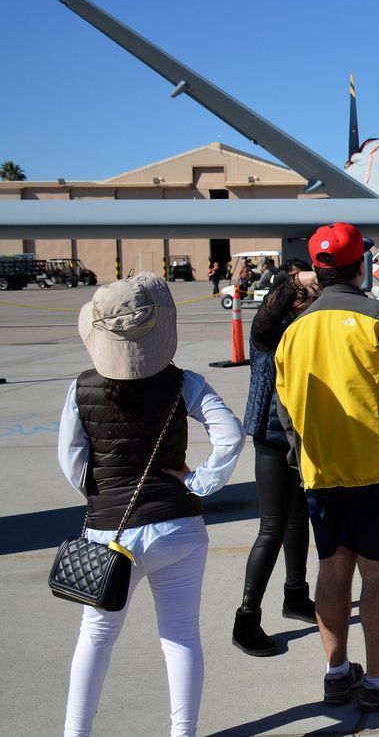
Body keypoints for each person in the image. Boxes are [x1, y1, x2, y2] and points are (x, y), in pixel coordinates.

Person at [58, 272, 246, 736]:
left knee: (96, 637)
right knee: (180, 636)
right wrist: (199, 482)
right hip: (176, 526)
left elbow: (71, 459)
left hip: (109, 533)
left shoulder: (82, 387)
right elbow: (231, 436)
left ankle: (74, 733)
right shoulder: (185, 383)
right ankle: (183, 732)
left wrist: (100, 493)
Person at [274, 222, 379, 711]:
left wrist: (300, 458)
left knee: (331, 568)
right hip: (377, 467)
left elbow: (285, 408)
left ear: (318, 271)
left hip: (319, 470)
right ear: (360, 264)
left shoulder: (294, 330)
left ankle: (336, 672)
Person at [233, 263, 321, 656]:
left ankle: (295, 595)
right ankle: (246, 619)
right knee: (271, 528)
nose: (311, 299)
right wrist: (293, 282)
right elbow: (270, 311)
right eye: (305, 293)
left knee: (299, 519)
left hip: (302, 438)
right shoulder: (267, 333)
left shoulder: (311, 327)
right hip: (271, 438)